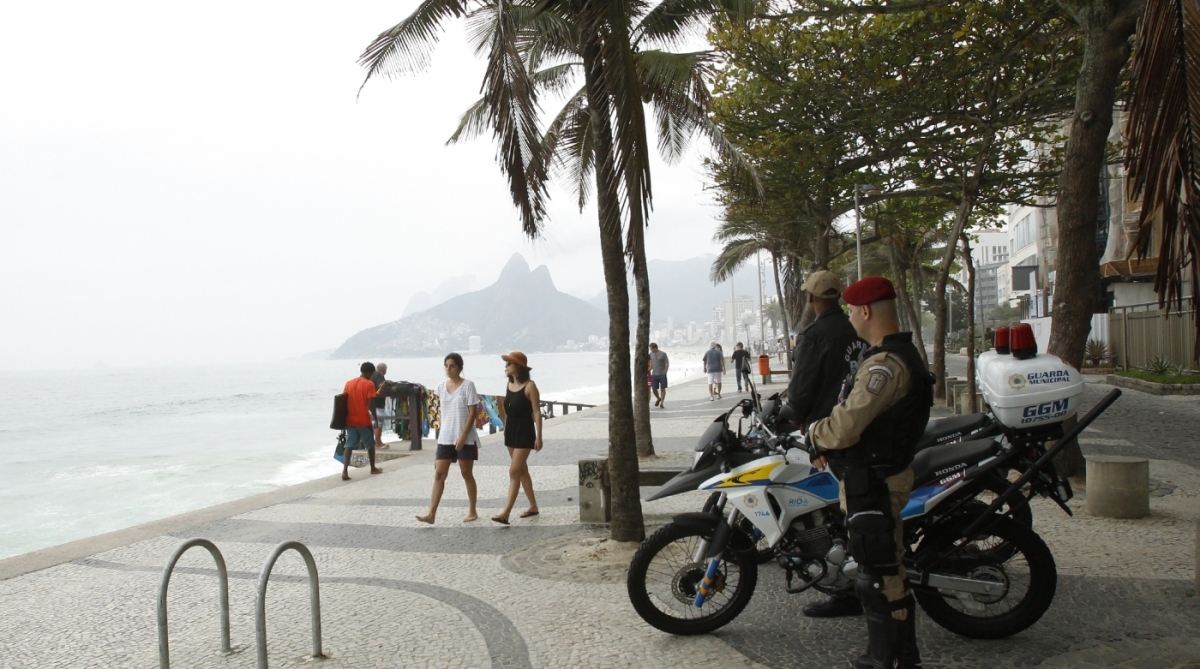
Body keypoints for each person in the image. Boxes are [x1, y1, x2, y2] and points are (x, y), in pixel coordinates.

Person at [805, 276, 933, 669]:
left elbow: (847, 424)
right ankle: (897, 656)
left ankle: (888, 660)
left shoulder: (885, 365)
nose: (849, 318)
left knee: (880, 574)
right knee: (881, 568)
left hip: (876, 482)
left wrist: (814, 433)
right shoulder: (891, 356)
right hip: (872, 478)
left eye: (851, 311)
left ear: (864, 312)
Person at [786, 271, 869, 618]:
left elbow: (802, 388)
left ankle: (849, 588)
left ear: (811, 299)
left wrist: (793, 415)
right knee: (854, 504)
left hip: (828, 432)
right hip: (863, 425)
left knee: (835, 509)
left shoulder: (814, 334)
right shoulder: (857, 328)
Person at [416, 353, 480, 524]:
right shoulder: (441, 387)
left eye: (452, 366)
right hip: (445, 436)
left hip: (464, 436)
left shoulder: (468, 386)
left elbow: (473, 412)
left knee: (466, 473)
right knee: (439, 474)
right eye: (446, 365)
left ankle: (473, 510)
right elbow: (443, 412)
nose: (448, 369)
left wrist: (463, 436)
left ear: (459, 367)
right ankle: (431, 513)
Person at [492, 351, 543, 524]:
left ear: (518, 367)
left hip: (525, 431)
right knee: (521, 470)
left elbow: (537, 412)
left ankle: (505, 513)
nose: (506, 367)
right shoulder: (509, 384)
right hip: (511, 430)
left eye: (509, 364)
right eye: (506, 364)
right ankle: (533, 506)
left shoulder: (530, 386)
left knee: (514, 471)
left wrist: (539, 436)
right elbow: (508, 407)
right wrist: (505, 426)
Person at [342, 362, 384, 481]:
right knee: (370, 445)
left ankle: (344, 471)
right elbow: (371, 404)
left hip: (350, 420)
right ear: (370, 373)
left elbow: (343, 400)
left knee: (349, 445)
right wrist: (375, 419)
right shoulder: (369, 384)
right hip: (363, 420)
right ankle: (373, 468)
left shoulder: (349, 383)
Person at [370, 363, 389, 450]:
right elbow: (381, 387)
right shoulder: (379, 375)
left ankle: (375, 442)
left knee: (373, 423)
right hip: (378, 403)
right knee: (378, 424)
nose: (386, 372)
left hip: (370, 403)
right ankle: (378, 443)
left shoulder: (371, 374)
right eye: (386, 370)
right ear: (383, 369)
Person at [649, 343, 670, 408]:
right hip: (654, 374)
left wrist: (665, 372)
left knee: (662, 388)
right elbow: (651, 364)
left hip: (662, 374)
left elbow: (666, 363)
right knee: (654, 388)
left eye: (651, 348)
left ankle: (662, 403)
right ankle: (658, 398)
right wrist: (648, 370)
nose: (651, 350)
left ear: (655, 348)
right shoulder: (651, 354)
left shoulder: (663, 354)